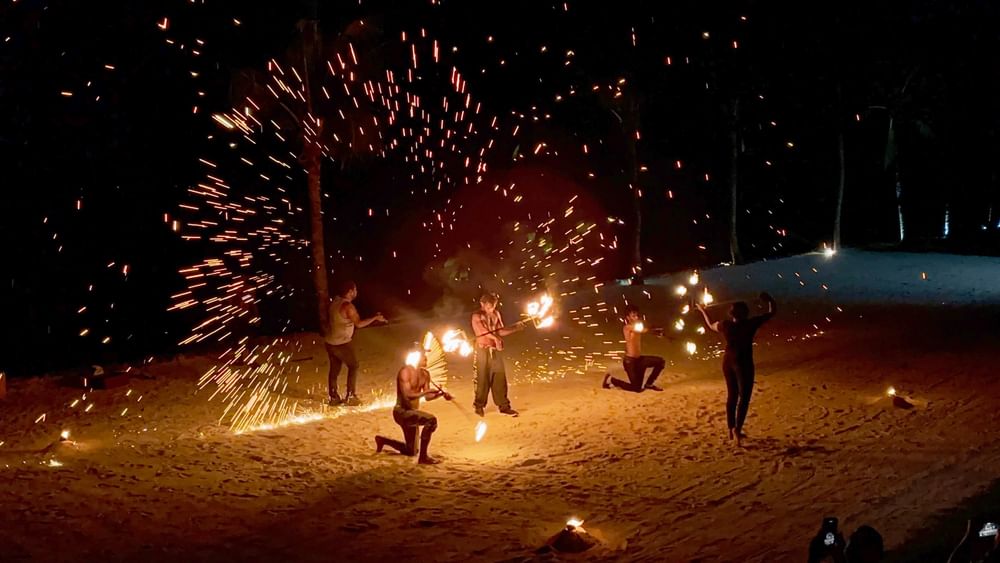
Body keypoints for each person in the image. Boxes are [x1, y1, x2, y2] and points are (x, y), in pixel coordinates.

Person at [696, 292, 776, 446]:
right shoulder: (750, 324)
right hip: (743, 362)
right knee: (744, 397)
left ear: (731, 314)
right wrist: (769, 299)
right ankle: (737, 430)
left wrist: (702, 311)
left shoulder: (726, 325)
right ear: (745, 313)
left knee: (732, 396)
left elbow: (710, 325)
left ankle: (731, 429)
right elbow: (771, 312)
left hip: (728, 361)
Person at [375, 350, 451, 465]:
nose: (426, 358)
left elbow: (428, 397)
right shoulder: (405, 372)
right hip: (402, 412)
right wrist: (426, 392)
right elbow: (407, 395)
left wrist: (440, 394)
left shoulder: (425, 374)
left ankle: (383, 440)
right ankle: (423, 457)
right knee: (431, 420)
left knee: (411, 451)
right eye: (423, 357)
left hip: (412, 413)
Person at [325, 280, 386, 406]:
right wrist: (375, 318)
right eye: (355, 290)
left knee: (334, 370)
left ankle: (334, 397)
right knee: (354, 366)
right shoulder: (348, 307)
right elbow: (359, 323)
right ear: (350, 292)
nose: (356, 292)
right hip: (341, 343)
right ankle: (351, 395)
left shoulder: (335, 302)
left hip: (330, 342)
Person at [471, 292, 525, 417]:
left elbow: (500, 331)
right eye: (489, 306)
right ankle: (478, 405)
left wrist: (515, 328)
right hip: (482, 350)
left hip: (495, 350)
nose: (491, 309)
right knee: (482, 379)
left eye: (494, 306)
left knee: (499, 378)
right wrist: (495, 339)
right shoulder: (477, 316)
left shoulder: (496, 314)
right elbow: (483, 332)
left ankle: (504, 406)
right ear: (482, 304)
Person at [602, 305, 665, 392]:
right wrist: (653, 330)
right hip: (630, 362)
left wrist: (657, 331)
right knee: (637, 388)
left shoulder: (637, 327)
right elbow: (642, 330)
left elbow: (643, 329)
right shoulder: (627, 327)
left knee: (660, 362)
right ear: (628, 318)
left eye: (637, 315)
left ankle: (649, 384)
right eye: (633, 316)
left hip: (639, 360)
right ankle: (612, 380)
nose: (636, 317)